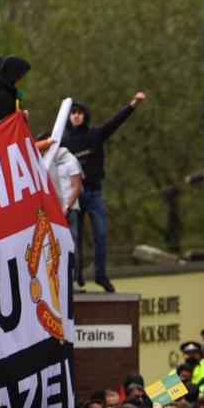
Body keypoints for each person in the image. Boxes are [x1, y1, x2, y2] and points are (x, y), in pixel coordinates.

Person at [59, 91, 145, 294]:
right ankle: (76, 276)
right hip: (74, 196)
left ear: (85, 116)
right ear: (68, 117)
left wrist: (132, 105)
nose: (76, 116)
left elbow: (114, 122)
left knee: (100, 234)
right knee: (74, 237)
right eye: (73, 113)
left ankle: (100, 275)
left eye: (80, 113)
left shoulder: (95, 135)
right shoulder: (64, 143)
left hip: (95, 193)